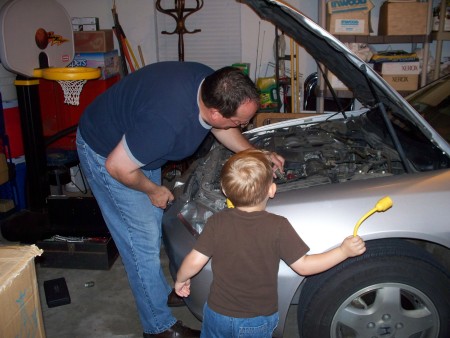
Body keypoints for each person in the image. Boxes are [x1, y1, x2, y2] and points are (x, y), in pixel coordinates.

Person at [76, 61, 284, 338]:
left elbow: (222, 127)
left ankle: (161, 293)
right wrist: (153, 189)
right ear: (213, 112)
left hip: (136, 145)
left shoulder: (211, 84)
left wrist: (256, 154)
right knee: (141, 245)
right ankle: (158, 327)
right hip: (108, 153)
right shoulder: (165, 123)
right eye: (241, 122)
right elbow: (118, 167)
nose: (243, 126)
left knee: (151, 228)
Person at [175, 149, 366, 338]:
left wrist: (181, 279)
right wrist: (343, 251)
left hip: (218, 313)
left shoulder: (216, 222)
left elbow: (194, 260)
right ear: (272, 190)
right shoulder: (278, 226)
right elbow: (305, 266)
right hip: (256, 319)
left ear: (224, 191)